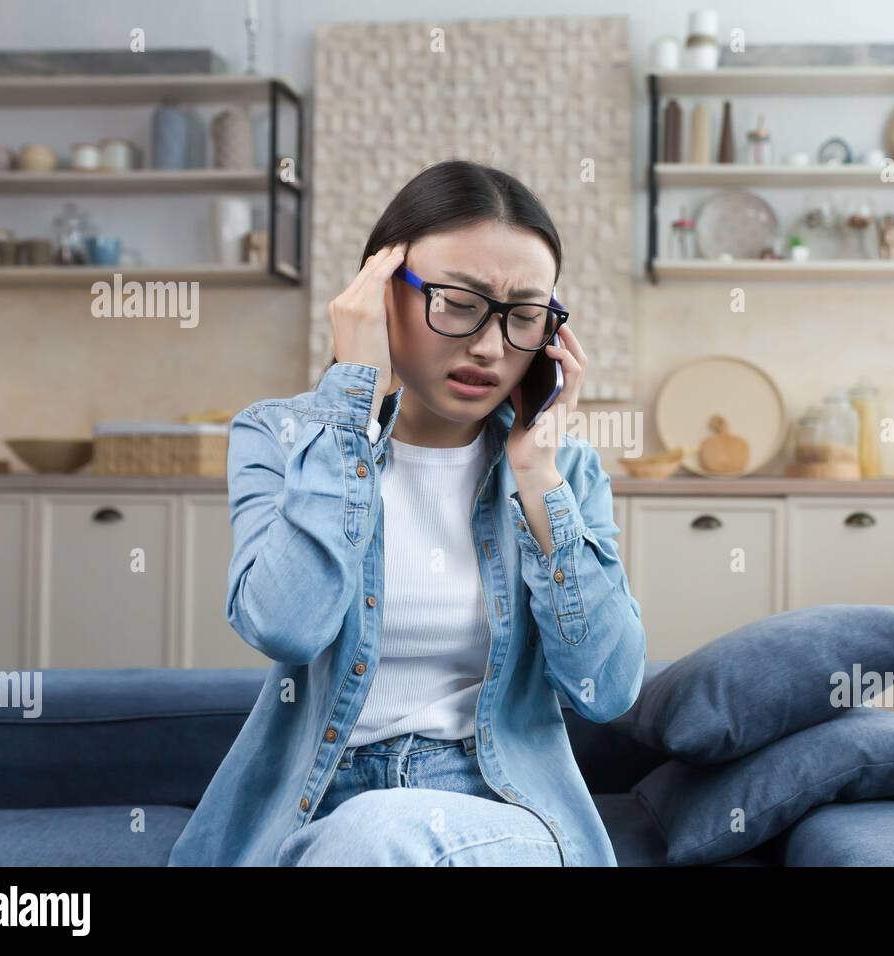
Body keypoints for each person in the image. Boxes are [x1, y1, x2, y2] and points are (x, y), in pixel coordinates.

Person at [167, 159, 647, 867]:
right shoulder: (285, 437)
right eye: (457, 300)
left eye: (522, 316)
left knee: (384, 831)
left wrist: (537, 476)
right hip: (318, 808)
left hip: (497, 811)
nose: (489, 347)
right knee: (368, 833)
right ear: (377, 294)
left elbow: (605, 690)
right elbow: (285, 625)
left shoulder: (565, 472)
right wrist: (350, 405)